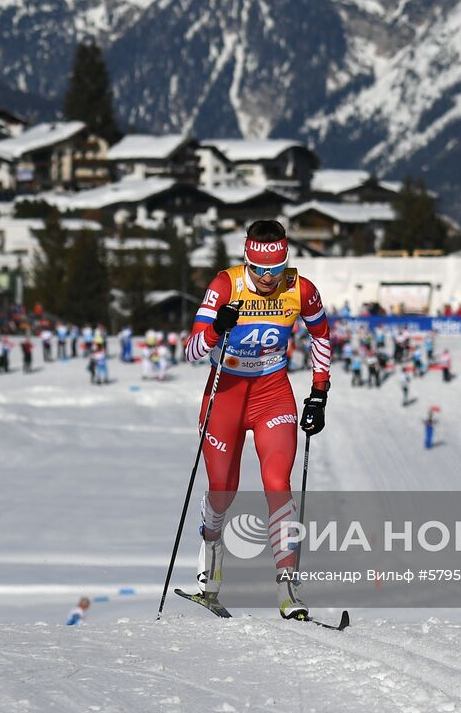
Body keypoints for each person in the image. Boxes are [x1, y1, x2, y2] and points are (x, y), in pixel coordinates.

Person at [184, 220, 331, 621]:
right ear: (247, 261)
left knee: (278, 486)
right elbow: (191, 351)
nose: (268, 278)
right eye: (260, 270)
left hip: (272, 394)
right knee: (222, 491)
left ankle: (288, 590)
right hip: (226, 395)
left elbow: (321, 335)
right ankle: (210, 568)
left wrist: (319, 392)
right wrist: (216, 329)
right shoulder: (225, 285)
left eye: (276, 269)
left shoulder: (300, 289)